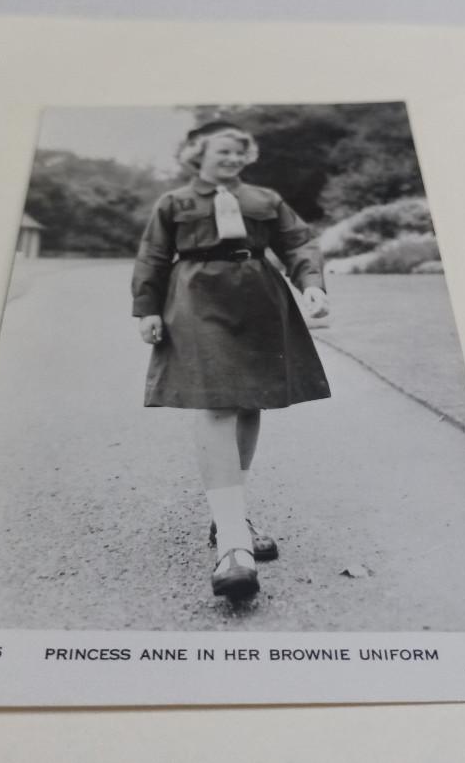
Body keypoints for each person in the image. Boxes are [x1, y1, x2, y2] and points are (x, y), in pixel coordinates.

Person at [131, 120, 331, 600]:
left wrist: (312, 284)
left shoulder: (265, 200)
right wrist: (147, 309)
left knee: (248, 404)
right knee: (218, 403)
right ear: (196, 154)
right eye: (224, 149)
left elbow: (299, 243)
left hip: (259, 297)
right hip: (197, 299)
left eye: (242, 151)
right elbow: (153, 257)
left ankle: (229, 518)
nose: (234, 157)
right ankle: (234, 548)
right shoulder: (174, 203)